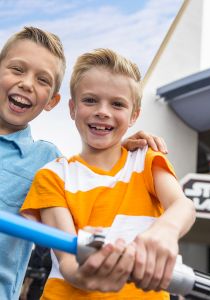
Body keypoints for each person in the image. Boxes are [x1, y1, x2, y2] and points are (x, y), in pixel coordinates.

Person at [0, 26, 167, 300]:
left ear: (52, 102)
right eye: (17, 70)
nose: (27, 83)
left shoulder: (44, 160)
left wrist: (118, 148)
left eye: (42, 80)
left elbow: (84, 173)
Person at [21, 48, 196, 300]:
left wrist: (166, 230)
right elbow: (68, 263)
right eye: (90, 100)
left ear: (134, 115)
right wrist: (83, 275)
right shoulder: (52, 176)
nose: (103, 111)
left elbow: (183, 206)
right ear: (72, 108)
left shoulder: (145, 160)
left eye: (117, 104)